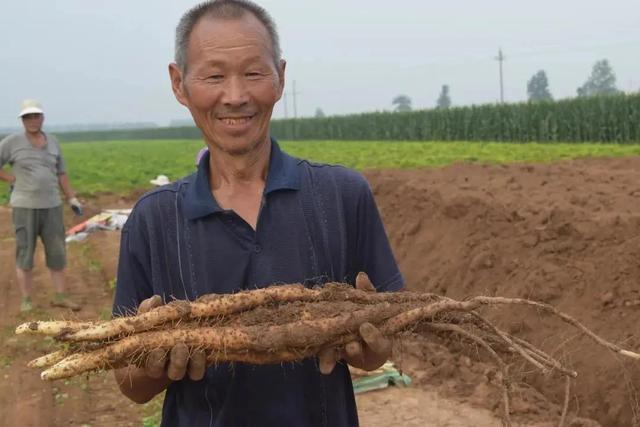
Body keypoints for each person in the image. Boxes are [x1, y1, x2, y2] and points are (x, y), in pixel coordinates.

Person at [112, 1, 404, 426]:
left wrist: (370, 342)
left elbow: (385, 339)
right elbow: (129, 384)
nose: (235, 96)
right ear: (179, 84)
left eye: (253, 73)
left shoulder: (341, 195)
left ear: (280, 77)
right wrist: (148, 360)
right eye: (213, 76)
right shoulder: (153, 220)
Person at [0, 99, 82, 312]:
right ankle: (27, 299)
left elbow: (61, 173)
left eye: (36, 116)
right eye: (28, 117)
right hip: (24, 206)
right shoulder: (12, 142)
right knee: (25, 251)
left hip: (52, 205)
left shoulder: (53, 142)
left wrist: (72, 198)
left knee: (57, 252)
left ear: (42, 118)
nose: (33, 120)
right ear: (22, 120)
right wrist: (11, 179)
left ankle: (61, 295)